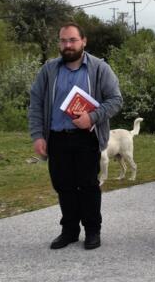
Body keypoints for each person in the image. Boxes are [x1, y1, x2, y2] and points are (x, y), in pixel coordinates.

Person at [28, 22, 123, 250]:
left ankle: (92, 231)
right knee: (63, 186)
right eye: (63, 41)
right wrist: (38, 135)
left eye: (72, 40)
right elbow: (36, 103)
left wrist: (92, 117)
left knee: (88, 185)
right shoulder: (49, 70)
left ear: (84, 41)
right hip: (56, 137)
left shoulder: (99, 68)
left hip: (87, 137)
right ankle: (69, 231)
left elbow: (115, 100)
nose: (67, 45)